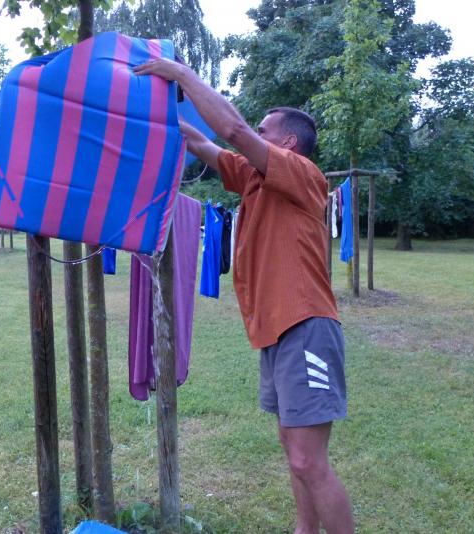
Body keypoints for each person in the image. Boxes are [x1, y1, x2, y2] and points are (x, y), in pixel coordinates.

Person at [134, 59, 354, 534]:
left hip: (306, 325)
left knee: (309, 460)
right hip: (278, 331)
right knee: (293, 450)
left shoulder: (301, 173)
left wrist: (182, 75)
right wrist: (154, 110)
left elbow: (231, 130)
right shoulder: (256, 178)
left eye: (264, 130)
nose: (254, 133)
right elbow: (201, 142)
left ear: (287, 142)